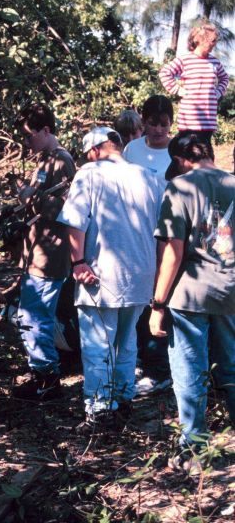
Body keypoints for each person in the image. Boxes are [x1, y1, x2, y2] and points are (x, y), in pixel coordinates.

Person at [57, 127, 163, 428]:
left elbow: (75, 222)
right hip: (141, 272)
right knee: (127, 339)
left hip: (101, 273)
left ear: (94, 150)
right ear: (117, 145)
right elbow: (160, 232)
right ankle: (123, 397)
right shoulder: (148, 176)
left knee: (97, 343)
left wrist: (78, 262)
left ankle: (100, 408)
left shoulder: (89, 173)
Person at [150, 132, 235, 473]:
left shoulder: (179, 188)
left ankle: (194, 449)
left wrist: (157, 304)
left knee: (189, 371)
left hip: (190, 294)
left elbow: (173, 251)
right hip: (230, 290)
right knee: (230, 367)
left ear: (183, 158)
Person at [12, 103, 76, 400]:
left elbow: (67, 208)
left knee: (36, 318)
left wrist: (30, 200)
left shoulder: (62, 161)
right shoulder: (45, 161)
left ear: (46, 130)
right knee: (30, 315)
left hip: (50, 255)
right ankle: (40, 372)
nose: (27, 143)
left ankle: (48, 378)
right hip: (36, 253)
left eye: (30, 136)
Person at [123, 95, 173, 395]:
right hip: (138, 233)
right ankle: (143, 357)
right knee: (140, 296)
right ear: (144, 123)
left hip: (168, 235)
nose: (157, 130)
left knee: (161, 296)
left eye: (163, 124)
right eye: (152, 123)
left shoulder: (176, 151)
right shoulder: (132, 150)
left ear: (171, 123)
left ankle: (160, 368)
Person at [159, 22, 229, 140]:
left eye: (215, 41)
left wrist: (217, 93)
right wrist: (178, 90)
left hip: (208, 122)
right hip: (189, 121)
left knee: (204, 155)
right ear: (199, 40)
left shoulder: (215, 62)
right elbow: (164, 73)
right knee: (186, 155)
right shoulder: (185, 59)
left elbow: (224, 78)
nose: (214, 45)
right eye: (212, 41)